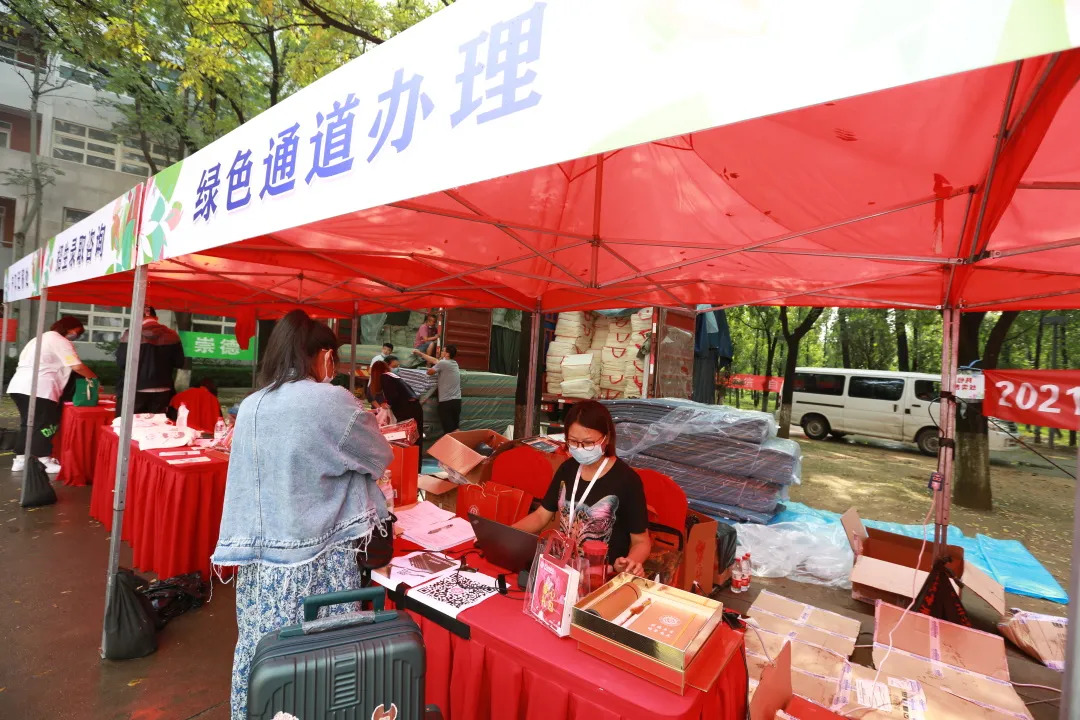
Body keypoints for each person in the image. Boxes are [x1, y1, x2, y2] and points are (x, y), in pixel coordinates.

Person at [212, 310, 392, 720]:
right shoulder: (331, 400)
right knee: (323, 657)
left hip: (260, 563)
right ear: (324, 355)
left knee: (265, 652)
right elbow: (378, 455)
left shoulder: (252, 404)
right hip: (319, 557)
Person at [514, 401, 651, 576]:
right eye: (573, 441)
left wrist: (631, 562)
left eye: (588, 443)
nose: (580, 448)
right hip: (563, 569)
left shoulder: (627, 480)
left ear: (607, 438)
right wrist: (507, 533)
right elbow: (541, 516)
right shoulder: (568, 469)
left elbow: (641, 542)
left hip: (601, 575)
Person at [6, 316, 97, 474]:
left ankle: (20, 459)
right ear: (68, 328)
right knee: (43, 424)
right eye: (76, 332)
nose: (76, 336)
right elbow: (76, 366)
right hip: (40, 387)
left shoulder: (38, 339)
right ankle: (43, 460)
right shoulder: (59, 341)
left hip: (19, 386)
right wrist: (94, 378)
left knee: (28, 424)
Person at [115, 306, 186, 415]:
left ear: (137, 318)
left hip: (135, 388)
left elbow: (121, 363)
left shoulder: (131, 335)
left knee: (132, 423)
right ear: (156, 318)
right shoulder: (172, 335)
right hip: (163, 389)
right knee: (158, 423)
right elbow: (179, 362)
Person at [369, 359, 424, 466]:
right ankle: (415, 468)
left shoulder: (385, 377)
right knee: (416, 440)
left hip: (407, 411)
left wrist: (386, 405)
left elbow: (392, 397)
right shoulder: (393, 376)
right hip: (415, 409)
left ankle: (407, 466)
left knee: (406, 441)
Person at [413, 344, 461, 433]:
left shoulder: (443, 363)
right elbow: (435, 361)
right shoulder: (454, 363)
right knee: (455, 427)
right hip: (457, 401)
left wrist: (430, 366)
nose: (441, 352)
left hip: (446, 402)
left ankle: (451, 442)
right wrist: (421, 354)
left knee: (449, 430)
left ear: (447, 354)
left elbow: (429, 372)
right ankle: (460, 441)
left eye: (443, 351)